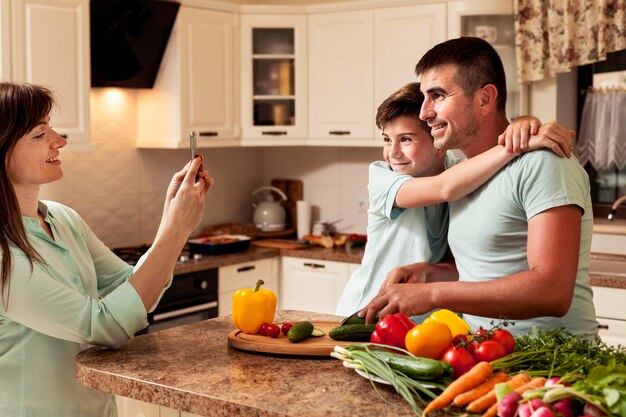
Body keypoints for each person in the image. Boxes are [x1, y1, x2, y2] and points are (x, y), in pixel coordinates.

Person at [361, 37, 598, 340]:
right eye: (424, 97)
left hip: (551, 364)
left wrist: (433, 294)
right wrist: (428, 273)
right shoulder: (462, 174)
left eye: (437, 95)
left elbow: (552, 292)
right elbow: (485, 272)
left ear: (485, 99)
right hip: (486, 355)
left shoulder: (544, 164)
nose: (424, 112)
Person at [0, 82, 213, 416]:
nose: (61, 141)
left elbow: (135, 289)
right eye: (40, 135)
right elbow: (103, 327)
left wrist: (172, 219)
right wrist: (176, 230)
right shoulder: (3, 255)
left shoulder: (63, 218)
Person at [336, 82, 574, 317]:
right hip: (366, 312)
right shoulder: (382, 177)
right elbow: (444, 188)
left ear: (439, 143)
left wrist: (522, 125)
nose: (393, 152)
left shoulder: (462, 172)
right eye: (387, 139)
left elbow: (456, 263)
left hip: (421, 321)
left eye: (406, 139)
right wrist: (519, 144)